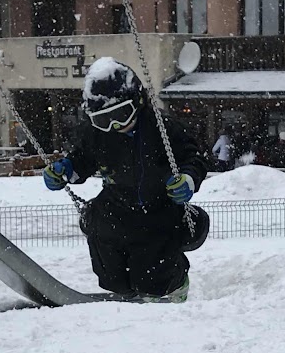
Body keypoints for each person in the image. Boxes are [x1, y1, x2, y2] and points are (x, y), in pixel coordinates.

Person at [42, 58, 209, 302]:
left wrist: (188, 179)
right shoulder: (97, 135)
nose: (114, 125)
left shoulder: (162, 128)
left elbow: (193, 157)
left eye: (121, 115)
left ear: (138, 102)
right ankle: (124, 291)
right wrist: (66, 170)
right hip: (115, 205)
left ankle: (173, 285)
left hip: (158, 204)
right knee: (110, 269)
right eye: (103, 120)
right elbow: (82, 159)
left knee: (153, 267)